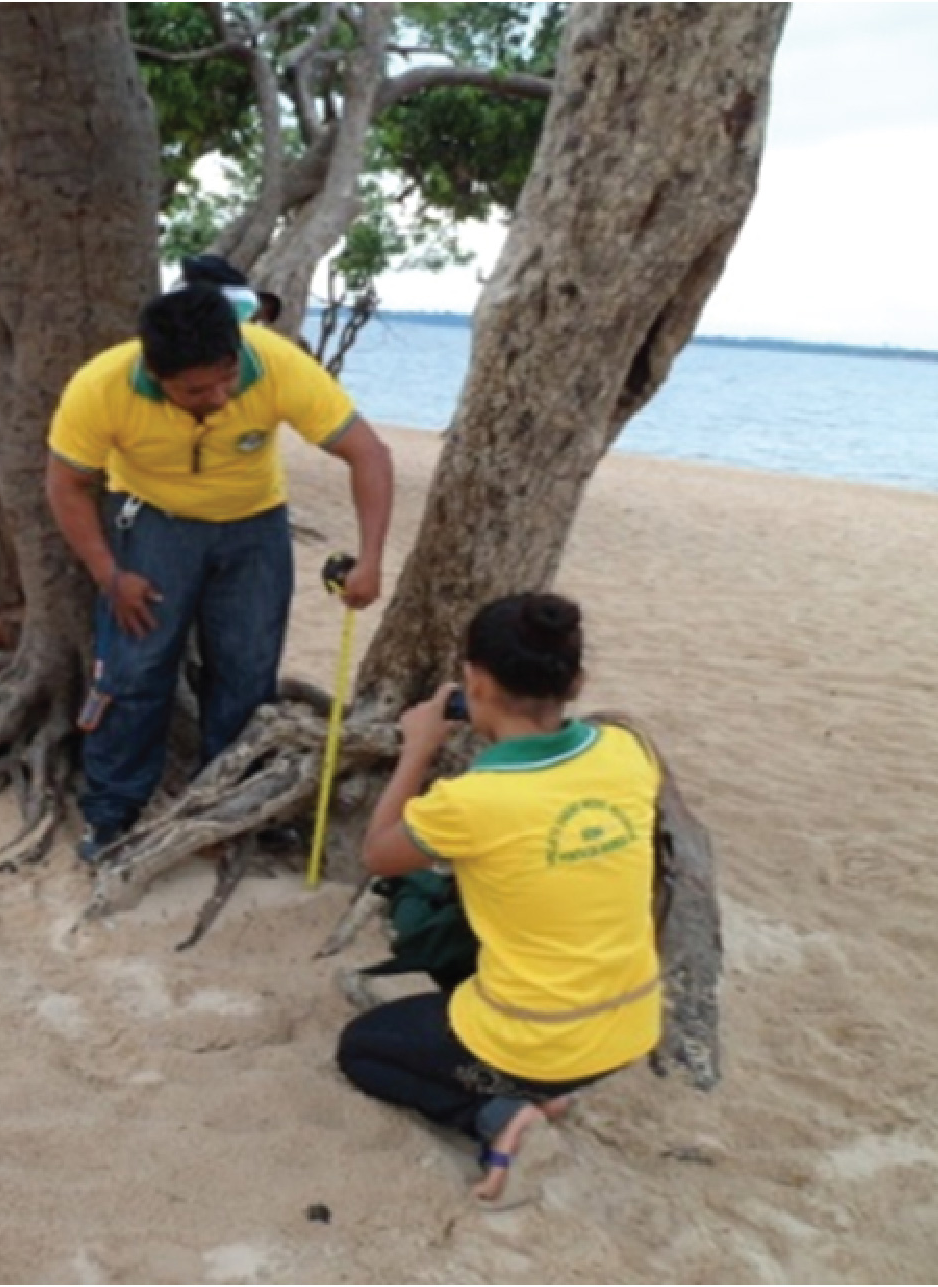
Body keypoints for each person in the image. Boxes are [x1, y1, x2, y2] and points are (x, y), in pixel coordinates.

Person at [46, 283, 395, 861]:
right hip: (154, 522)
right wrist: (110, 574)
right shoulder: (103, 386)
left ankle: (227, 807)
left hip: (254, 528)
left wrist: (372, 558)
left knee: (248, 672)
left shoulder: (275, 363)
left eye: (227, 376)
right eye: (197, 390)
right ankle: (111, 811)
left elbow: (369, 454)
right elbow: (65, 484)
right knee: (135, 670)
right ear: (156, 375)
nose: (221, 395)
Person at [337, 593, 662, 1210]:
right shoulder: (629, 751)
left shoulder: (476, 800)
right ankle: (551, 1089)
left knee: (363, 1049)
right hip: (631, 1028)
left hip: (540, 1043)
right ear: (577, 681)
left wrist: (418, 749)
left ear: (474, 681)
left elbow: (378, 854)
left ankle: (502, 1113)